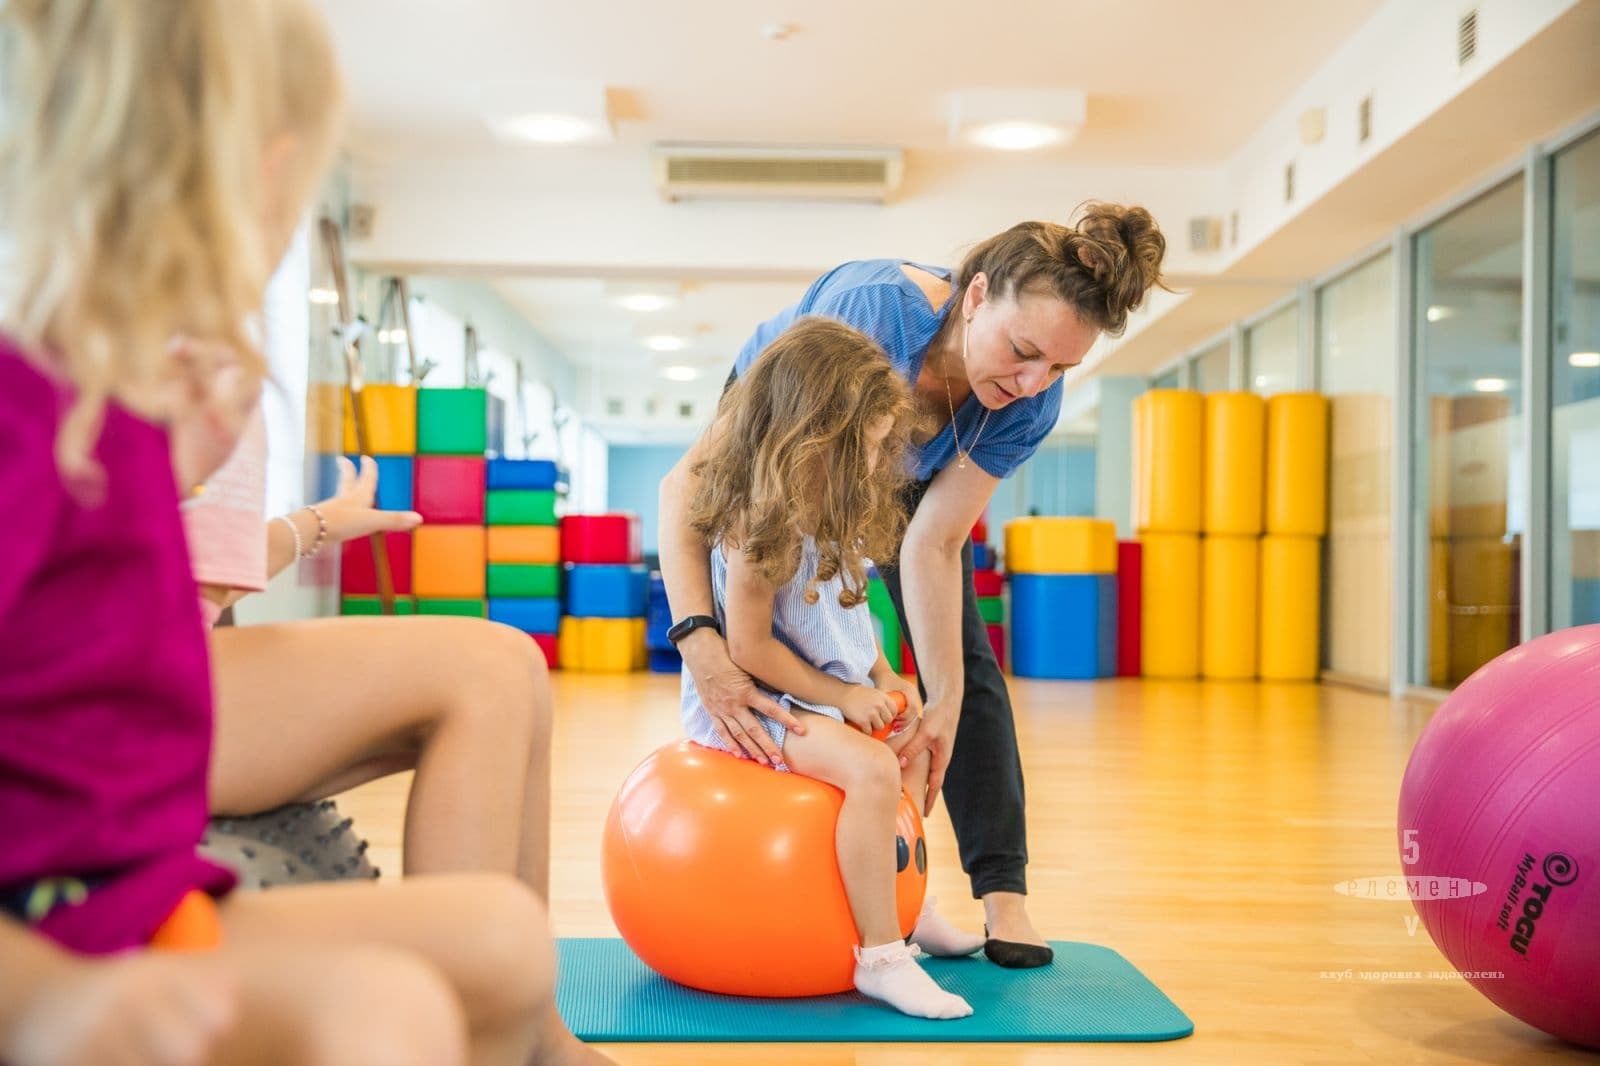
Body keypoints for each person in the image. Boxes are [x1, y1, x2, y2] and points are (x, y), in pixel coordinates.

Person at [0, 2, 607, 1063]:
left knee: (507, 941)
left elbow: (107, 627)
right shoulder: (31, 409)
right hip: (64, 930)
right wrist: (41, 994)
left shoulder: (122, 411)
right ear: (259, 177)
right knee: (388, 1011)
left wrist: (192, 481)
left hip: (134, 897)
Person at [662, 209, 1168, 967]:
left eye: (1059, 369)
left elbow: (933, 541)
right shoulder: (873, 313)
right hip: (795, 431)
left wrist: (943, 702)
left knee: (962, 671)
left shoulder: (1028, 401)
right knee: (787, 613)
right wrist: (699, 642)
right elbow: (687, 488)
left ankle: (1002, 897)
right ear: (976, 296)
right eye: (1023, 351)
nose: (1032, 384)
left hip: (898, 477)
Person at [680, 318, 980, 1019]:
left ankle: (909, 906)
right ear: (809, 435)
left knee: (911, 749)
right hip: (762, 703)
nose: (873, 463)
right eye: (863, 447)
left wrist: (885, 676)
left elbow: (847, 618)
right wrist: (841, 696)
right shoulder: (758, 520)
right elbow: (750, 649)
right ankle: (881, 956)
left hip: (825, 695)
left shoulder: (832, 509)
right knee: (872, 770)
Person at [187, 434, 560, 902]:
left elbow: (191, 570)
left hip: (159, 655)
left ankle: (518, 943)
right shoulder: (191, 396)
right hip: (119, 690)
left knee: (520, 661)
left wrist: (313, 523)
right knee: (488, 669)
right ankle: (464, 945)